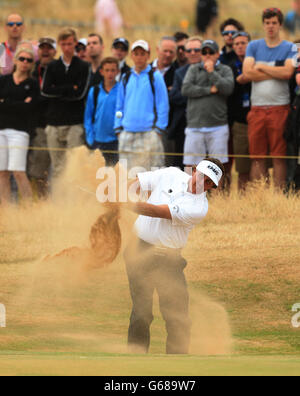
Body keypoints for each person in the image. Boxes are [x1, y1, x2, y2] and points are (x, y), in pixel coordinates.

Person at [122, 158, 225, 354]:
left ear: (212, 186)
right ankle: (134, 360)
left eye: (209, 182)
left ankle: (177, 366)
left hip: (168, 261)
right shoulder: (171, 174)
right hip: (138, 251)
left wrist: (125, 203)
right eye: (202, 176)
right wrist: (120, 193)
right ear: (194, 171)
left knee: (178, 316)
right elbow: (138, 182)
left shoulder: (198, 208)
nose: (202, 182)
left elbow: (156, 211)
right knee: (141, 313)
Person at [243, 8, 296, 189]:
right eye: (267, 23)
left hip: (280, 108)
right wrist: (275, 72)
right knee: (256, 157)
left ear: (280, 24)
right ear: (263, 25)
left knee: (279, 156)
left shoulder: (290, 47)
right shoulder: (254, 46)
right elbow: (247, 72)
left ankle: (278, 196)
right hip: (257, 109)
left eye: (274, 23)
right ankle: (259, 194)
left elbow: (288, 72)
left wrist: (261, 66)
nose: (270, 27)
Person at [42, 28, 91, 178]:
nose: (67, 48)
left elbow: (80, 94)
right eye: (63, 44)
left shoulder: (84, 66)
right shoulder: (52, 66)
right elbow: (46, 91)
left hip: (74, 123)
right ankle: (58, 199)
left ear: (75, 43)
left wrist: (58, 89)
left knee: (73, 167)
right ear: (59, 45)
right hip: (54, 122)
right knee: (57, 167)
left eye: (70, 44)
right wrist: (69, 88)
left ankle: (73, 199)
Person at [115, 40, 169, 170]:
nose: (139, 57)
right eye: (136, 53)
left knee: (152, 172)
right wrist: (118, 127)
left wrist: (159, 130)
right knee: (127, 172)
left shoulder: (155, 77)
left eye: (142, 54)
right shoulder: (126, 77)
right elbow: (119, 106)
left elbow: (163, 105)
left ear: (148, 56)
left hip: (149, 133)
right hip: (127, 132)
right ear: (132, 55)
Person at [182, 40, 234, 168]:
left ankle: (219, 189)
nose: (207, 55)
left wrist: (212, 72)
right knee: (191, 166)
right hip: (195, 126)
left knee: (217, 167)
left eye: (210, 52)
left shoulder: (225, 69)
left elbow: (227, 89)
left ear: (217, 54)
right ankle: (193, 189)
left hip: (218, 126)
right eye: (204, 52)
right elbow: (186, 89)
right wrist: (209, 90)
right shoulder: (193, 69)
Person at [0, 47, 39, 204]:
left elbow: (30, 108)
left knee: (18, 171)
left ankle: (29, 208)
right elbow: (23, 106)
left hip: (20, 132)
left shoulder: (33, 84)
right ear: (15, 60)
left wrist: (6, 103)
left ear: (31, 64)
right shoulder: (3, 80)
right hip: (1, 130)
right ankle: (7, 210)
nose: (25, 62)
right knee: (2, 172)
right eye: (21, 58)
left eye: (29, 60)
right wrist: (20, 104)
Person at [27, 37, 57, 199]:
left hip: (56, 123)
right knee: (39, 171)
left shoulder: (59, 69)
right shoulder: (32, 70)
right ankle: (41, 202)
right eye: (42, 48)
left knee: (58, 170)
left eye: (49, 48)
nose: (45, 51)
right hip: (38, 126)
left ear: (55, 51)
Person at [169, 36, 203, 170]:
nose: (193, 53)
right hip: (183, 124)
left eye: (196, 50)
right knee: (184, 165)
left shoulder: (211, 70)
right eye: (189, 51)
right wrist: (200, 93)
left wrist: (189, 91)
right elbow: (174, 96)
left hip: (207, 122)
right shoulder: (180, 72)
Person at [228, 32, 252, 191]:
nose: (239, 46)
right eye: (236, 44)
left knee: (259, 164)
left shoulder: (256, 63)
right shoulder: (229, 66)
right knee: (242, 168)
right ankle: (242, 199)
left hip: (257, 117)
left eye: (243, 43)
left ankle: (258, 198)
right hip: (239, 120)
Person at [84, 57, 119, 167]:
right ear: (101, 72)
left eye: (113, 70)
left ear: (118, 71)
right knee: (98, 176)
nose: (110, 74)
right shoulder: (94, 91)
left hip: (116, 141)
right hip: (98, 141)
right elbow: (88, 116)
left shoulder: (122, 90)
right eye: (107, 70)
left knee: (115, 175)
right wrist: (90, 138)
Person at [152, 37, 178, 167]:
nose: (168, 55)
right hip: (145, 127)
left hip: (167, 129)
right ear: (157, 50)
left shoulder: (178, 74)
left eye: (171, 52)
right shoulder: (145, 71)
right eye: (165, 51)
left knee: (166, 166)